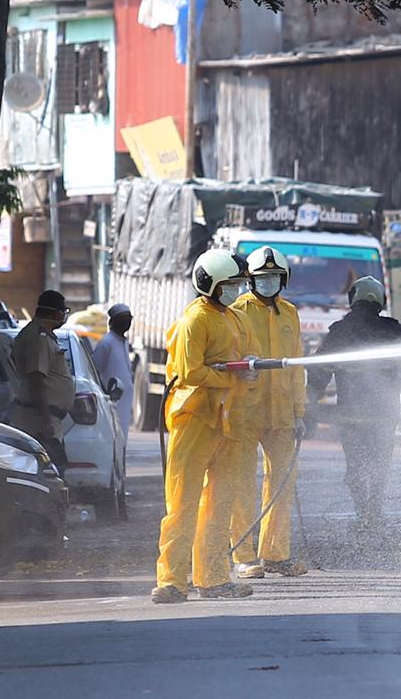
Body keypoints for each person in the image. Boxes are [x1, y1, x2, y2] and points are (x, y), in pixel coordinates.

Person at [152, 250, 260, 603]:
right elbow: (190, 372)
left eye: (238, 284)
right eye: (230, 285)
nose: (235, 290)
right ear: (209, 284)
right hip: (194, 419)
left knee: (220, 502)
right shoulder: (194, 321)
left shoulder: (234, 318)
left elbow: (247, 355)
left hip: (226, 420)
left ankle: (213, 579)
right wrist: (230, 374)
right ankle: (171, 581)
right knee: (182, 504)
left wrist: (251, 366)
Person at [307, 276, 401, 535]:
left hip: (351, 416)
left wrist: (309, 400)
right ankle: (373, 514)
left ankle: (363, 514)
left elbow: (319, 372)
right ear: (380, 300)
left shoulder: (340, 332)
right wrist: (397, 386)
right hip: (385, 415)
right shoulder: (394, 331)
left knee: (355, 468)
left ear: (353, 300)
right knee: (379, 467)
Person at [231, 246, 308, 579]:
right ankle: (244, 556)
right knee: (242, 483)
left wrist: (299, 411)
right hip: (246, 413)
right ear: (250, 280)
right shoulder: (236, 312)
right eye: (263, 278)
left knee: (282, 482)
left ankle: (276, 554)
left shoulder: (290, 313)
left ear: (284, 280)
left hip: (282, 414)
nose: (269, 283)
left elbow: (296, 365)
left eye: (275, 278)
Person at [11, 290, 76, 473]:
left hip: (47, 419)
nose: (64, 316)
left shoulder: (43, 335)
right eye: (63, 311)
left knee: (53, 470)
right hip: (38, 420)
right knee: (48, 472)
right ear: (56, 313)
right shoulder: (38, 337)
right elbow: (36, 378)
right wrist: (46, 419)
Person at [92, 303, 135, 436]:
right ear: (113, 322)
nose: (126, 323)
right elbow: (95, 371)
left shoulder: (124, 342)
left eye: (128, 319)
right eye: (122, 319)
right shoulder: (106, 343)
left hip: (125, 402)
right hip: (112, 402)